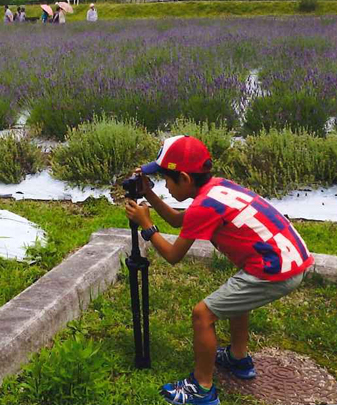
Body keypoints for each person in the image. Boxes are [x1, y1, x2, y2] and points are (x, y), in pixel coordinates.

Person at [124, 135, 312, 405]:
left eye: (166, 180)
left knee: (203, 314)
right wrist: (149, 193)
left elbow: (173, 255)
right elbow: (180, 220)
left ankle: (202, 388)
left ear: (185, 179)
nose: (165, 185)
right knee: (236, 297)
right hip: (290, 260)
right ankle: (238, 359)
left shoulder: (203, 206)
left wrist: (147, 226)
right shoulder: (216, 189)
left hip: (275, 270)